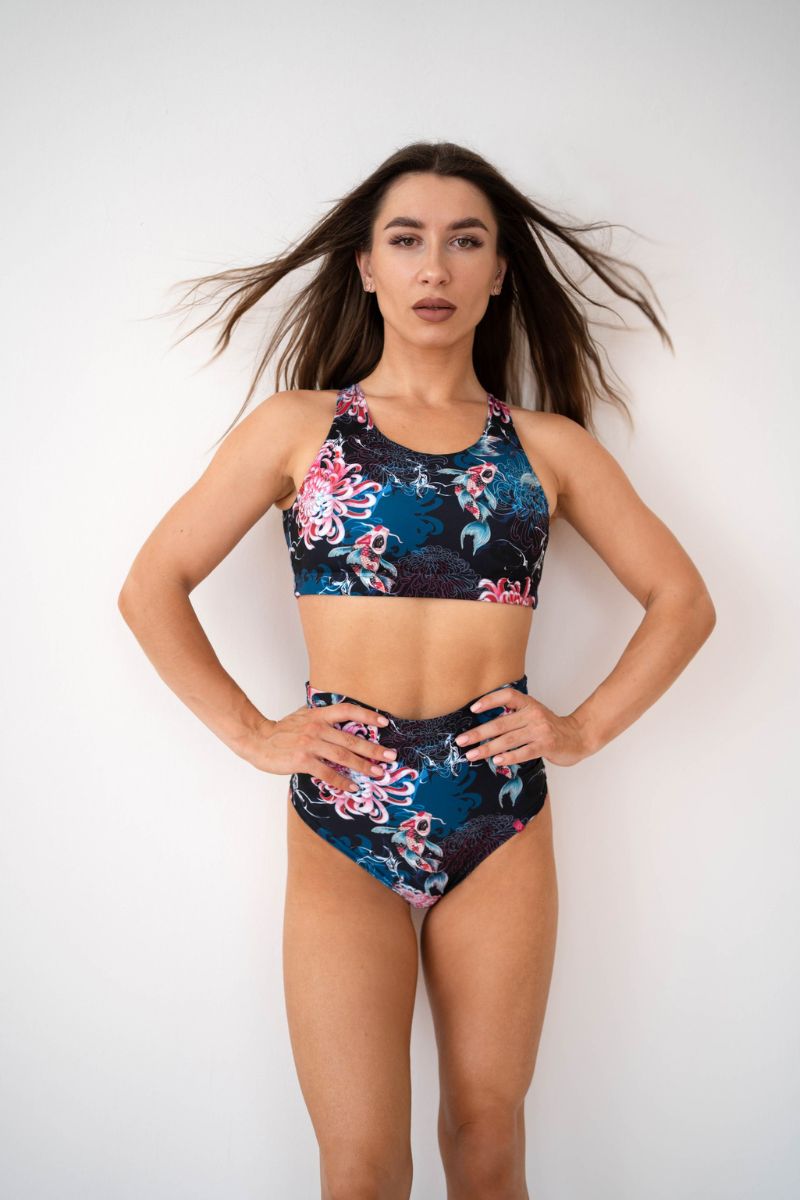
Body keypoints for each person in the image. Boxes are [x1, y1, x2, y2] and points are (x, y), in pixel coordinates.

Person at [118, 141, 716, 1200]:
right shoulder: (300, 429)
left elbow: (683, 600)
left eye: (464, 241)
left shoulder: (546, 448)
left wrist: (580, 729)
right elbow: (151, 584)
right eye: (406, 240)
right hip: (342, 811)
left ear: (499, 271)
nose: (434, 267)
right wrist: (253, 733)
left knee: (488, 1145)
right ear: (366, 266)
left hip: (498, 813)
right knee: (360, 1168)